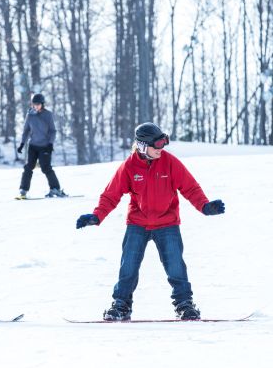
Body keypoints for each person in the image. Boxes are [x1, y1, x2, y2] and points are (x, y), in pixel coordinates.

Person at [76, 122, 225, 321]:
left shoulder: (170, 162)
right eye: (158, 145)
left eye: (164, 143)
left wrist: (205, 207)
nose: (161, 149)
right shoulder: (129, 166)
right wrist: (97, 216)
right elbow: (111, 195)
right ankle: (121, 305)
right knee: (128, 266)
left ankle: (184, 304)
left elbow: (190, 187)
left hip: (167, 223)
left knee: (175, 266)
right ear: (143, 146)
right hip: (138, 223)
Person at [17, 93, 66, 198]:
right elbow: (26, 131)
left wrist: (50, 143)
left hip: (45, 146)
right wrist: (22, 144)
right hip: (33, 146)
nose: (36, 106)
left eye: (38, 104)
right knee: (28, 167)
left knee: (46, 168)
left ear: (42, 104)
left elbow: (53, 131)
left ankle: (55, 188)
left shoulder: (48, 115)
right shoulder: (29, 115)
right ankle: (23, 190)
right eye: (34, 104)